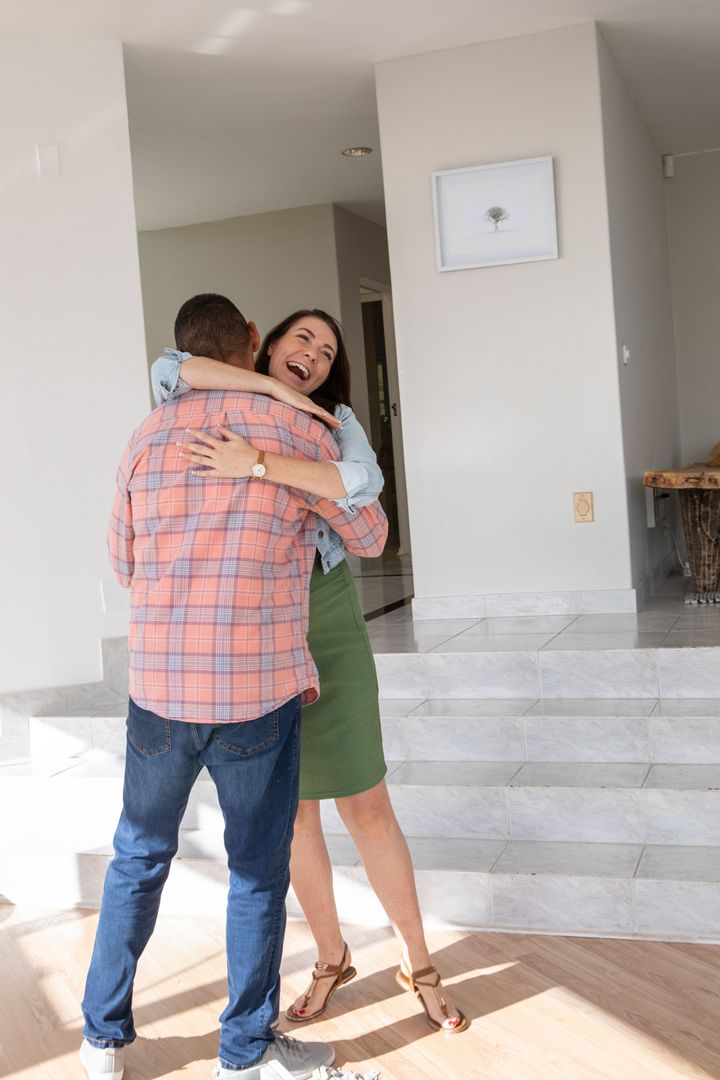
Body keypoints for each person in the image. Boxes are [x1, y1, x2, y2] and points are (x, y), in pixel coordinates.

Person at [80, 294, 388, 1080]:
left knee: (137, 857)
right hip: (256, 692)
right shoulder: (298, 429)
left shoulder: (145, 436)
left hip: (158, 691)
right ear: (252, 343)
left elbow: (122, 564)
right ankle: (243, 1055)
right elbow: (371, 535)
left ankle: (101, 1043)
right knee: (254, 870)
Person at [154, 307, 469, 1036]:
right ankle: (331, 957)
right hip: (253, 625)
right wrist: (276, 404)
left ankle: (419, 963)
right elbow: (166, 368)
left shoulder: (335, 419)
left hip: (323, 613)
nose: (317, 357)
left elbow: (365, 487)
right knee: (292, 814)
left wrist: (259, 461)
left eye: (327, 352)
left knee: (366, 804)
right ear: (265, 345)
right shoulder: (214, 397)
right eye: (305, 339)